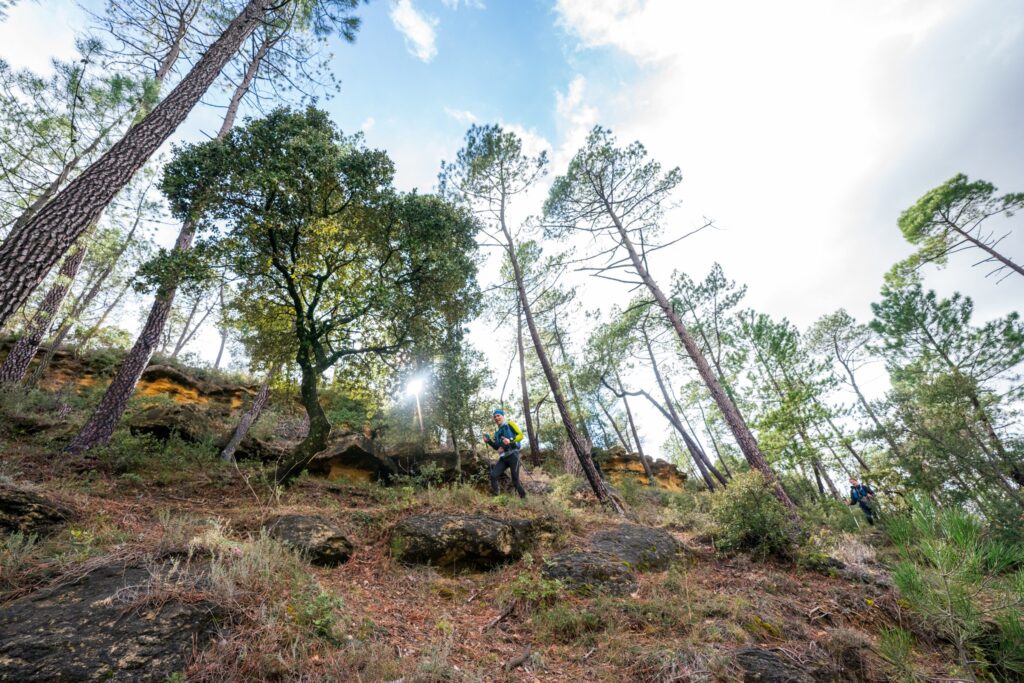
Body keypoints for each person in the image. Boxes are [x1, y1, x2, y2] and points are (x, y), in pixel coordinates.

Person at [483, 409, 526, 498]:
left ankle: (524, 497)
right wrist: (489, 441)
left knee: (515, 481)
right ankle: (497, 497)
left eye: (498, 415)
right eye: (495, 417)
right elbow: (497, 447)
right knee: (493, 475)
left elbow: (520, 435)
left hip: (514, 456)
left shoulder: (510, 424)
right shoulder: (497, 433)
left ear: (502, 416)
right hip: (504, 458)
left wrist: (510, 440)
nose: (496, 418)